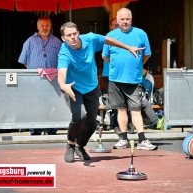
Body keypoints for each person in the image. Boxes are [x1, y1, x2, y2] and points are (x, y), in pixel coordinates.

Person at [57, 22, 144, 163]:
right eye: (69, 35)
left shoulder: (90, 39)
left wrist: (128, 48)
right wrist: (62, 84)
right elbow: (62, 71)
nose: (73, 37)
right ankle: (71, 145)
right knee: (79, 117)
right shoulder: (64, 52)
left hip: (91, 87)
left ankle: (80, 146)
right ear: (63, 38)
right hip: (73, 87)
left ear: (78, 33)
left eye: (75, 33)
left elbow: (107, 40)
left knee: (92, 123)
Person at [102, 8, 157, 150]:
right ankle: (123, 139)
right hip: (115, 79)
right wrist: (117, 66)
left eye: (127, 19)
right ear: (117, 20)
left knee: (136, 109)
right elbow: (105, 56)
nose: (125, 22)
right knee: (120, 110)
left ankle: (142, 140)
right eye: (122, 19)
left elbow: (147, 54)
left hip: (134, 79)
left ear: (131, 20)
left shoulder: (140, 34)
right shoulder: (110, 36)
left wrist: (137, 66)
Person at [18, 17, 62, 136]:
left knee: (52, 104)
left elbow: (62, 60)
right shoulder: (30, 41)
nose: (44, 28)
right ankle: (35, 129)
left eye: (47, 25)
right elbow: (24, 61)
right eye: (42, 25)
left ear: (50, 26)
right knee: (34, 103)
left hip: (53, 80)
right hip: (35, 80)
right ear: (37, 27)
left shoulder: (57, 42)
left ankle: (51, 129)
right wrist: (35, 72)